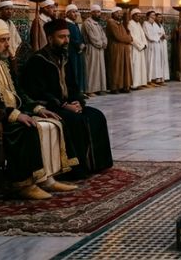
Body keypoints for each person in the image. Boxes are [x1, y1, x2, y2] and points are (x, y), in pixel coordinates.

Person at [0, 20, 78, 199]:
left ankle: (46, 179)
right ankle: (24, 184)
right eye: (2, 40)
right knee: (28, 129)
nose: (8, 44)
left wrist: (38, 108)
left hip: (9, 115)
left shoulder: (3, 63)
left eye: (8, 39)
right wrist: (15, 115)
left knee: (52, 123)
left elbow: (19, 92)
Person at [21, 18, 113, 177]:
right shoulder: (38, 60)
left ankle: (96, 164)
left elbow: (73, 85)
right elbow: (38, 92)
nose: (67, 41)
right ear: (50, 39)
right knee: (74, 121)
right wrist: (64, 105)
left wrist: (78, 101)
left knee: (96, 115)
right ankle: (74, 170)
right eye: (62, 37)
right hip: (49, 106)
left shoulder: (65, 57)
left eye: (68, 37)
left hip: (67, 104)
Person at [105, 7, 132, 93]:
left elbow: (125, 33)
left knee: (123, 68)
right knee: (116, 68)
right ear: (113, 14)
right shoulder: (111, 22)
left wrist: (128, 37)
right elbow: (118, 36)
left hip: (123, 49)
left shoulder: (120, 23)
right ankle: (114, 87)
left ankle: (123, 85)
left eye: (120, 13)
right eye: (117, 13)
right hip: (115, 48)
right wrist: (129, 39)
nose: (119, 14)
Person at [82, 5, 107, 95]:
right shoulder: (87, 23)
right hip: (92, 48)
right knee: (92, 69)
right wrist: (100, 44)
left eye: (99, 12)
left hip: (100, 49)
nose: (97, 14)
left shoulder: (98, 23)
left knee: (100, 69)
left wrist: (104, 43)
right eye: (95, 12)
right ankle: (90, 90)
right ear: (91, 13)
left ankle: (99, 88)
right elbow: (92, 37)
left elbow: (103, 35)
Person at [64, 4, 87, 96]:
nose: (75, 14)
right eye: (73, 12)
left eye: (76, 12)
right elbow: (70, 38)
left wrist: (83, 44)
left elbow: (80, 36)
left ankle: (80, 91)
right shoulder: (66, 24)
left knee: (79, 71)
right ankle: (74, 92)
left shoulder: (75, 24)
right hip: (71, 51)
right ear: (67, 13)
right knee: (73, 71)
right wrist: (78, 45)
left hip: (78, 52)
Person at [128, 9, 148, 88]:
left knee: (140, 66)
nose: (139, 17)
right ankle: (134, 84)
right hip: (135, 48)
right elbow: (132, 37)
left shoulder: (139, 24)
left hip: (141, 48)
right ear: (133, 16)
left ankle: (140, 83)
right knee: (135, 65)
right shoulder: (130, 24)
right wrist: (140, 46)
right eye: (137, 15)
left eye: (139, 16)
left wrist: (145, 44)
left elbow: (143, 35)